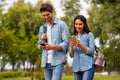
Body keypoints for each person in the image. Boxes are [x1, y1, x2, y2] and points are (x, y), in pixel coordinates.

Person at [38, 3, 69, 80]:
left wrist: (52, 47)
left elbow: (66, 43)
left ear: (52, 11)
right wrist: (42, 42)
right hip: (46, 62)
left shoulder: (61, 25)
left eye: (48, 14)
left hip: (58, 61)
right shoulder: (42, 28)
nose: (46, 17)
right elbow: (39, 46)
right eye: (44, 15)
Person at [70, 15, 95, 80]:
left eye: (80, 24)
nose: (77, 26)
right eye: (76, 24)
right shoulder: (73, 36)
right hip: (76, 67)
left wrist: (80, 45)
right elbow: (71, 55)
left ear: (84, 24)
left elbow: (92, 52)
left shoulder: (89, 35)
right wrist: (71, 46)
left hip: (88, 66)